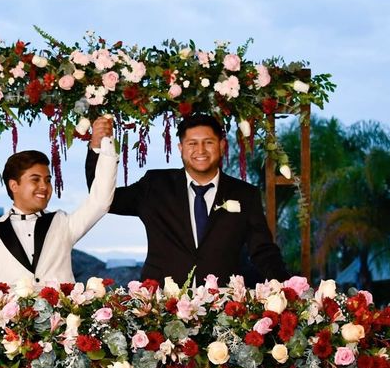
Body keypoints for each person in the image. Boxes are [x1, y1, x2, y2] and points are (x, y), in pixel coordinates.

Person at [86, 113, 288, 286]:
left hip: (223, 309)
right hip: (161, 307)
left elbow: (263, 251)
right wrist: (97, 148)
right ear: (180, 148)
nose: (200, 150)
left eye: (208, 142)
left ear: (222, 145)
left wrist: (287, 289)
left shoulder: (245, 194)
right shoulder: (154, 185)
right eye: (192, 143)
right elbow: (105, 199)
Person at [0, 117, 118, 286]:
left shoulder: (63, 223)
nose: (44, 186)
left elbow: (101, 201)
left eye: (47, 180)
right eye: (35, 180)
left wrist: (105, 145)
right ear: (14, 185)